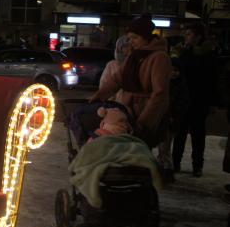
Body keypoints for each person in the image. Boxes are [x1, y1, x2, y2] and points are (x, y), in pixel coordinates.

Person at [90, 14, 172, 149]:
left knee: (140, 150)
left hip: (144, 113)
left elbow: (160, 93)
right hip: (128, 111)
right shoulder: (134, 56)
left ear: (146, 37)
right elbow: (117, 79)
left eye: (135, 38)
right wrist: (99, 96)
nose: (131, 41)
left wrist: (145, 121)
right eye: (129, 38)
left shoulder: (159, 58)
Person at [170, 23, 218, 177]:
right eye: (186, 33)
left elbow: (212, 80)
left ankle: (197, 165)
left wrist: (212, 102)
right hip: (183, 99)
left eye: (189, 34)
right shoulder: (183, 52)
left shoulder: (208, 54)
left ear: (198, 37)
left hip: (199, 100)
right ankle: (176, 162)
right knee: (180, 133)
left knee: (198, 135)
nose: (186, 36)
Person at [99, 35, 130, 102]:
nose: (129, 48)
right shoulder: (113, 65)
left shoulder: (139, 62)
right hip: (116, 102)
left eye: (130, 45)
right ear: (119, 48)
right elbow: (105, 85)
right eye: (125, 46)